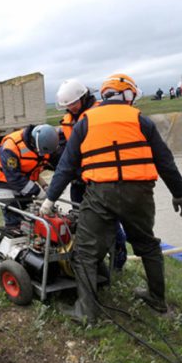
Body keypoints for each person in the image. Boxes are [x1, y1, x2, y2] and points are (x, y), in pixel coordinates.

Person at [41, 74, 182, 323]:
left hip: (101, 193)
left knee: (85, 253)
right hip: (140, 194)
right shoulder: (141, 120)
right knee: (148, 246)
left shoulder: (85, 122)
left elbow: (66, 166)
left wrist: (50, 199)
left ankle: (86, 311)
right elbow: (165, 161)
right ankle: (157, 300)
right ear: (129, 95)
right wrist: (180, 194)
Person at [55, 79, 128, 271]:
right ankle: (88, 259)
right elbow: (66, 149)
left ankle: (117, 262)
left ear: (83, 97)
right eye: (67, 105)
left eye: (73, 104)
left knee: (109, 221)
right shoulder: (69, 120)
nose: (71, 108)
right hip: (79, 180)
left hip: (100, 179)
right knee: (79, 218)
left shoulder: (98, 114)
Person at [0, 124, 60, 227]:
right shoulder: (11, 147)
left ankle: (32, 235)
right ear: (33, 143)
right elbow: (14, 178)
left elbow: (44, 165)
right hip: (3, 181)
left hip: (23, 178)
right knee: (13, 213)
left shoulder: (45, 145)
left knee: (29, 213)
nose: (43, 155)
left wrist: (46, 187)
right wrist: (39, 192)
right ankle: (12, 228)